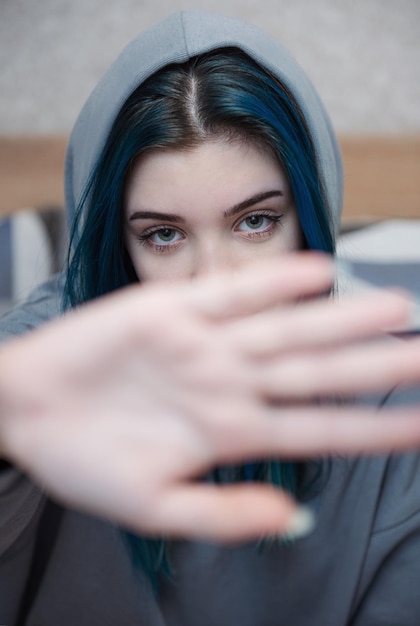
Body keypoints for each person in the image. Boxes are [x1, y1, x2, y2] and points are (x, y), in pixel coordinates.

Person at [1, 10, 420, 625]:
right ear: (117, 246)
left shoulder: (395, 406)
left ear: (310, 217)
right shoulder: (44, 366)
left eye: (256, 221)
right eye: (164, 235)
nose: (214, 285)